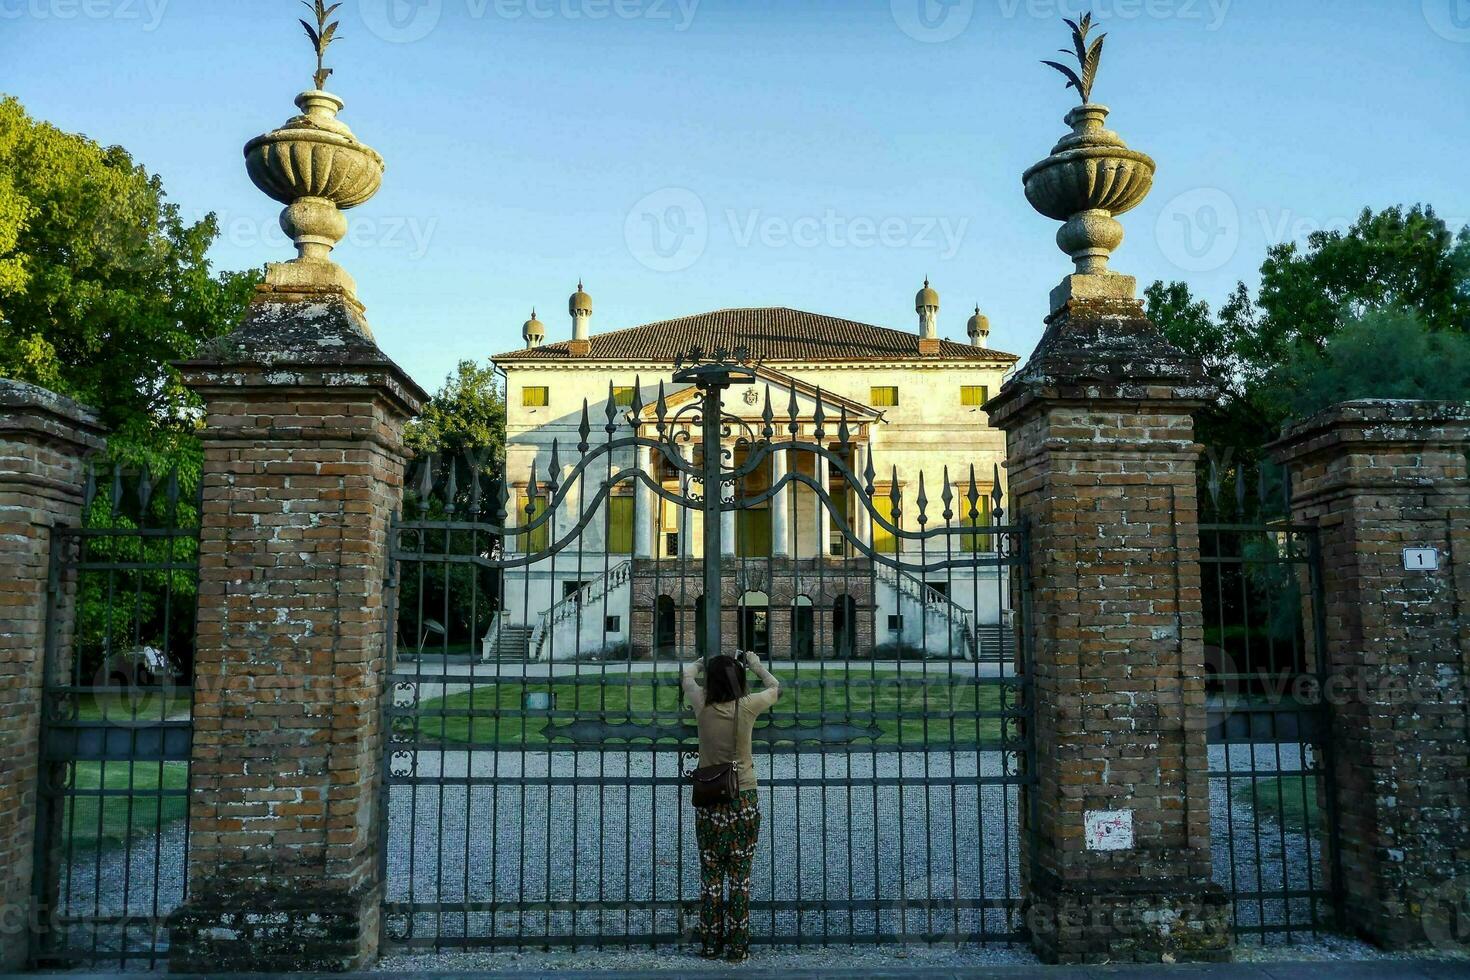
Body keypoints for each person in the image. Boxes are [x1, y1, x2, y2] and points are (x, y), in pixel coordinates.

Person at [681, 649, 781, 962]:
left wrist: (700, 661)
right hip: (743, 796)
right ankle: (737, 947)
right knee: (740, 876)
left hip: (710, 798)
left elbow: (685, 676)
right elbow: (776, 688)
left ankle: (710, 944)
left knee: (711, 873)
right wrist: (756, 666)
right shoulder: (747, 706)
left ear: (710, 680)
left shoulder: (702, 704)